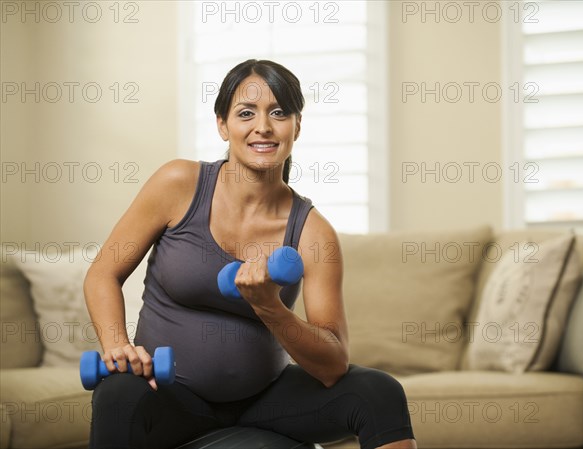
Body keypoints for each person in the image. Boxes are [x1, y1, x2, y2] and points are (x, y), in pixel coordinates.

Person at [84, 59, 417, 449]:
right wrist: (117, 346)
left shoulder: (313, 232)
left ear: (296, 126)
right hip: (170, 394)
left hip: (266, 401)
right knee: (118, 394)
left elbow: (332, 365)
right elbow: (102, 274)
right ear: (223, 125)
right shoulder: (177, 184)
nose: (263, 127)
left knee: (378, 391)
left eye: (278, 113)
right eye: (246, 113)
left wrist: (269, 307)